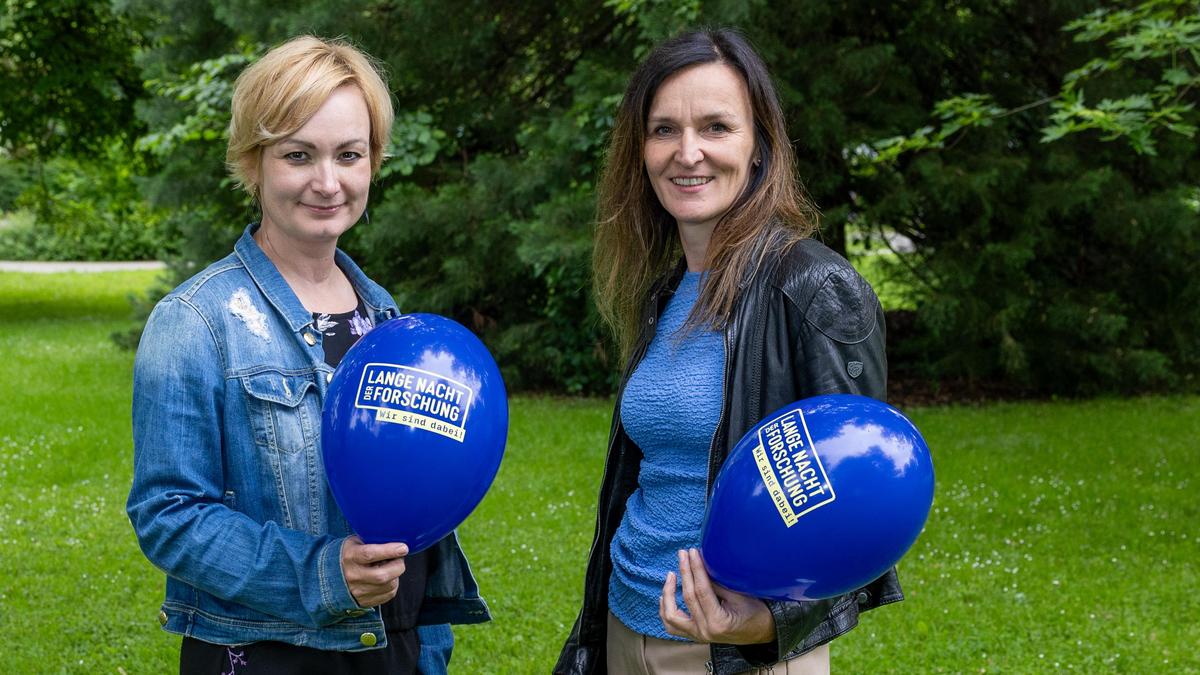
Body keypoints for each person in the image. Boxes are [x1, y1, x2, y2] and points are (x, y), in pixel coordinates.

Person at [126, 36, 488, 675]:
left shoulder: (387, 320)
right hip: (266, 654)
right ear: (253, 161)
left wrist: (427, 648)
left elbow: (420, 518)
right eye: (299, 155)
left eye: (349, 155)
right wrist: (322, 573)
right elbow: (168, 515)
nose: (328, 182)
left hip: (388, 650)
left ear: (373, 163)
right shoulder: (195, 324)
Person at [555, 29, 901, 675]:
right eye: (663, 130)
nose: (688, 152)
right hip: (625, 630)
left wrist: (762, 623)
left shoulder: (815, 288)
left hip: (736, 657)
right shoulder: (663, 291)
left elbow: (867, 507)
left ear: (759, 145)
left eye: (716, 126)